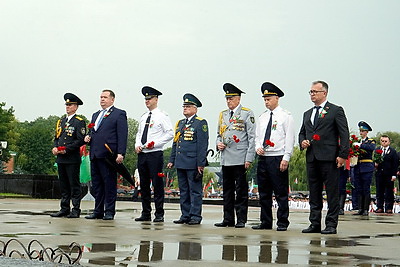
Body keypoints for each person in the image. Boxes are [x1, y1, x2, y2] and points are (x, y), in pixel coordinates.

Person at [299, 81, 349, 234]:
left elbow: (344, 134)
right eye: (311, 92)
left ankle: (331, 224)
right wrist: (302, 142)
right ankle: (314, 223)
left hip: (329, 157)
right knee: (314, 192)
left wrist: (342, 155)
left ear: (324, 93)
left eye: (315, 91)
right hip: (312, 157)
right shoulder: (307, 113)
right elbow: (302, 132)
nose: (312, 94)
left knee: (332, 192)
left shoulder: (335, 110)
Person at [252, 82, 295, 231]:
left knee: (280, 192)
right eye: (264, 99)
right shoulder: (262, 117)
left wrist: (286, 157)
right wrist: (258, 147)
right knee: (264, 193)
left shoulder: (285, 116)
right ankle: (265, 221)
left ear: (277, 98)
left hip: (278, 157)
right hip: (264, 157)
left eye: (269, 99)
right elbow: (257, 136)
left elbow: (289, 138)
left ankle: (282, 222)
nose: (266, 102)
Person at [214, 83, 256, 229]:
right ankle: (228, 218)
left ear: (238, 99)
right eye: (227, 99)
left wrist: (249, 158)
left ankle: (241, 219)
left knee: (241, 191)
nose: (228, 101)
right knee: (227, 190)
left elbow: (251, 137)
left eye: (231, 98)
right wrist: (218, 144)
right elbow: (219, 134)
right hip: (226, 157)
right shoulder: (223, 114)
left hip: (240, 156)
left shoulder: (246, 113)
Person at [84, 89, 128, 220]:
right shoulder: (95, 115)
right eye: (101, 97)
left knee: (109, 184)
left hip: (109, 155)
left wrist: (120, 153)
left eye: (105, 97)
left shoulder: (119, 114)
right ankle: (98, 211)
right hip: (95, 154)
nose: (102, 99)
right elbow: (94, 132)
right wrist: (88, 137)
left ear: (112, 99)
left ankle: (109, 211)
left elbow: (122, 135)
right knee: (97, 185)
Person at [167, 93, 209, 225]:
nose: (185, 108)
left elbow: (202, 145)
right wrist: (171, 159)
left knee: (195, 191)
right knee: (184, 190)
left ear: (195, 109)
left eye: (188, 106)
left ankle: (195, 216)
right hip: (181, 162)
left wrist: (201, 163)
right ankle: (185, 215)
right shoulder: (180, 123)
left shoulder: (200, 123)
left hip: (193, 163)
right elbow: (175, 143)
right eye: (184, 106)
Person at [134, 86, 174, 222]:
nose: (147, 101)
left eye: (150, 98)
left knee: (157, 184)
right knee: (143, 185)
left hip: (155, 154)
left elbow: (170, 133)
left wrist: (155, 143)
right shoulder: (143, 116)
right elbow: (139, 133)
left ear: (156, 99)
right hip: (142, 153)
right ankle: (145, 212)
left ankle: (159, 213)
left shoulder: (162, 116)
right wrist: (137, 145)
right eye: (146, 99)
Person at [50, 93, 86, 218]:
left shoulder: (79, 122)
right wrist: (55, 147)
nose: (67, 107)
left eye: (70, 105)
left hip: (71, 158)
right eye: (67, 105)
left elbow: (80, 140)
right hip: (61, 158)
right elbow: (57, 137)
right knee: (64, 185)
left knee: (74, 184)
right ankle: (64, 208)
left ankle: (76, 209)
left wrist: (66, 149)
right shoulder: (61, 121)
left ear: (76, 107)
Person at [352, 121, 376, 216]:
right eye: (360, 131)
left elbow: (371, 148)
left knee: (366, 188)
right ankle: (360, 208)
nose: (361, 133)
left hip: (367, 167)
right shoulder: (358, 141)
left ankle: (366, 209)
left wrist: (360, 145)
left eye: (363, 131)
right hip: (358, 166)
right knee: (359, 188)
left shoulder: (370, 141)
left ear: (366, 132)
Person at [374, 135, 399, 214]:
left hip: (389, 174)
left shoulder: (392, 151)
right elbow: (375, 159)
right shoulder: (377, 150)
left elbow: (395, 164)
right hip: (379, 173)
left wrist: (394, 175)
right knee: (379, 191)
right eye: (382, 141)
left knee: (388, 191)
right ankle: (380, 207)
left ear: (389, 142)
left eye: (385, 141)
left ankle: (389, 207)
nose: (384, 143)